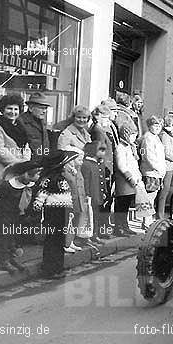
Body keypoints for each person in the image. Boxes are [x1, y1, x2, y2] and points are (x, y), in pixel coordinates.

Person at [0, 94, 31, 251]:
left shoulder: (20, 127)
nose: (13, 112)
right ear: (3, 109)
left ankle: (8, 245)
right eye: (9, 108)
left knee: (12, 208)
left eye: (16, 109)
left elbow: (26, 148)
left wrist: (26, 162)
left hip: (15, 170)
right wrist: (19, 164)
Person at [0, 160, 42, 273]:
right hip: (6, 215)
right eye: (36, 174)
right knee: (6, 238)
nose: (38, 176)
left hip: (19, 215)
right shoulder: (8, 186)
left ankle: (12, 259)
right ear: (26, 174)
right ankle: (3, 261)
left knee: (15, 238)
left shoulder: (30, 186)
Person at [32, 150, 79, 279]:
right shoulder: (50, 180)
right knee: (52, 239)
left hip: (63, 211)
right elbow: (43, 193)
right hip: (53, 211)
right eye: (67, 164)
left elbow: (70, 194)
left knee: (59, 239)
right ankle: (49, 268)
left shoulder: (65, 179)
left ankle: (58, 267)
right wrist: (38, 203)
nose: (69, 166)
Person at [57, 105, 92, 253]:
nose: (81, 120)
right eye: (79, 117)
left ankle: (70, 240)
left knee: (79, 208)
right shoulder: (67, 134)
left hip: (80, 173)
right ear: (73, 117)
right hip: (70, 173)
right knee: (70, 209)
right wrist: (70, 169)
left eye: (84, 118)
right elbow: (62, 154)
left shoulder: (85, 133)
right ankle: (65, 242)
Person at [92, 103, 119, 237]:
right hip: (103, 168)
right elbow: (99, 151)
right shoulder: (98, 130)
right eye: (106, 118)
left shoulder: (103, 129)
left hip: (108, 167)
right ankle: (101, 230)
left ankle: (103, 227)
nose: (108, 121)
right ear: (98, 117)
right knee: (103, 200)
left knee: (107, 199)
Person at [114, 125, 142, 235]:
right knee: (121, 204)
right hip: (124, 180)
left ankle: (125, 225)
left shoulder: (130, 147)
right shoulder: (121, 147)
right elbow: (122, 165)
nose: (134, 137)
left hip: (132, 180)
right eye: (132, 135)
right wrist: (130, 177)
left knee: (126, 205)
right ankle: (118, 227)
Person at [139, 115, 166, 228]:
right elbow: (148, 156)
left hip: (157, 172)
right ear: (150, 126)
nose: (157, 127)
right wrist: (158, 168)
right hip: (150, 172)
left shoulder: (156, 137)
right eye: (155, 125)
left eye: (159, 125)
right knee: (148, 197)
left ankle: (148, 219)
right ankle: (146, 221)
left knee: (152, 196)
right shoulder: (148, 138)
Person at [81, 141, 107, 245]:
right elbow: (86, 181)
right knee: (89, 217)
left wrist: (104, 191)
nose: (103, 153)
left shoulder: (99, 163)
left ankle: (94, 234)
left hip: (97, 195)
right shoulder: (87, 164)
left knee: (96, 215)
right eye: (101, 150)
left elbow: (102, 179)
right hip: (91, 195)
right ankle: (87, 236)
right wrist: (87, 195)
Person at [157, 114, 173, 219]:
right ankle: (160, 215)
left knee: (166, 191)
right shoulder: (165, 136)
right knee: (164, 191)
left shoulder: (168, 135)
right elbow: (167, 152)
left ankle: (161, 214)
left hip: (171, 166)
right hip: (167, 167)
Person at [17, 92, 51, 159]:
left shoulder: (42, 122)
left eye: (45, 108)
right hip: (28, 163)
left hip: (42, 162)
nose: (44, 111)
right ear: (31, 108)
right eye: (41, 108)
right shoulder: (21, 122)